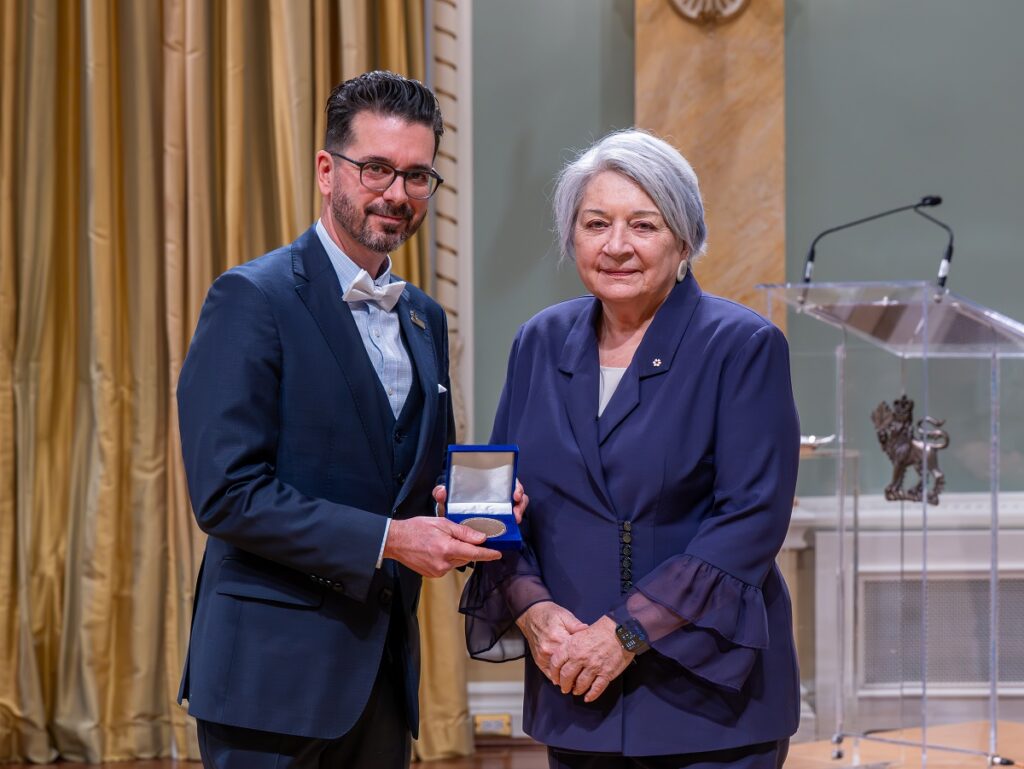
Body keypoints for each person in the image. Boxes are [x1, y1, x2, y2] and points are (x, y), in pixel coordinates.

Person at [177, 70, 516, 769]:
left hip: (382, 677)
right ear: (328, 170)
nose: (397, 193)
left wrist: (473, 514)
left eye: (417, 175)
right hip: (268, 680)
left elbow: (412, 476)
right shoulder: (252, 298)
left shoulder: (424, 316)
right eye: (377, 168)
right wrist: (391, 540)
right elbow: (227, 493)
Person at [460, 129, 801, 769]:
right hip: (573, 683)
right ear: (573, 237)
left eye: (643, 225)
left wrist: (624, 633)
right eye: (596, 224)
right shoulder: (538, 340)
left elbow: (750, 519)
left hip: (706, 699)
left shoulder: (741, 344)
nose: (616, 245)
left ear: (684, 240)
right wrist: (532, 608)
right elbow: (494, 492)